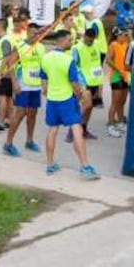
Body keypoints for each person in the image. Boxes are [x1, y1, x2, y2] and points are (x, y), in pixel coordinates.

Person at [40, 30, 100, 179]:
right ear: (62, 41)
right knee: (77, 130)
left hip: (52, 100)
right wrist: (80, 96)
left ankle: (50, 164)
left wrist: (47, 91)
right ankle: (85, 166)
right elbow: (75, 84)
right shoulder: (68, 60)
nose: (71, 42)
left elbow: (44, 80)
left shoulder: (46, 58)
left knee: (52, 130)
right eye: (69, 40)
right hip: (67, 100)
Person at [3, 21, 44, 156]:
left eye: (37, 33)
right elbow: (10, 65)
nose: (35, 35)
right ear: (27, 33)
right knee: (19, 114)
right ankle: (8, 143)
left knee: (33, 113)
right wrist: (14, 83)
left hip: (35, 85)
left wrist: (44, 83)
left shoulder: (41, 47)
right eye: (32, 33)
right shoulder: (20, 46)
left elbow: (42, 66)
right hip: (23, 84)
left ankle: (29, 141)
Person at [68, 28, 103, 141]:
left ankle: (84, 129)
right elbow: (73, 67)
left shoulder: (96, 44)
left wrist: (99, 85)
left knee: (90, 107)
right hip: (83, 81)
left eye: (92, 40)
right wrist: (79, 84)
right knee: (86, 105)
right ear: (84, 37)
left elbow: (97, 63)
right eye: (88, 40)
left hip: (94, 81)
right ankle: (72, 129)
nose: (90, 42)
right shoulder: (77, 48)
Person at [105, 28, 131, 137]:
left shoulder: (125, 44)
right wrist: (118, 70)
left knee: (122, 101)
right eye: (122, 35)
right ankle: (110, 126)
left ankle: (120, 122)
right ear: (117, 35)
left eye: (125, 35)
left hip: (125, 76)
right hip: (116, 76)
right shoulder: (113, 45)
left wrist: (129, 35)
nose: (124, 36)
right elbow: (108, 60)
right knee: (115, 102)